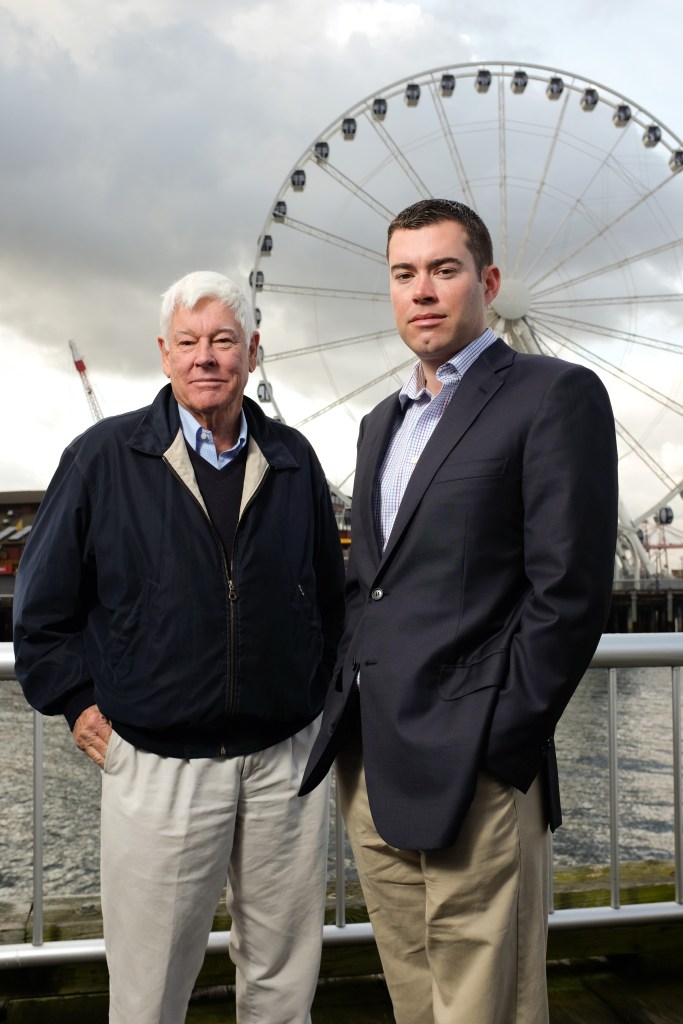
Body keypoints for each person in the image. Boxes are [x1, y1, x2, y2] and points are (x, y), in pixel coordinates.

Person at [300, 199, 618, 1024]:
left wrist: (499, 740)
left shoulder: (554, 395)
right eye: (404, 275)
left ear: (488, 282)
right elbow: (370, 583)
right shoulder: (380, 424)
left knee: (489, 1006)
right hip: (371, 760)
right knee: (416, 1000)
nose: (423, 292)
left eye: (444, 270)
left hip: (475, 765)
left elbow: (570, 592)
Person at [13, 271, 345, 1024]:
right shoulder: (101, 458)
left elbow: (331, 599)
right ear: (164, 354)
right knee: (150, 989)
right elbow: (40, 609)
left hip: (282, 760)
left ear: (252, 352)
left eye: (223, 340)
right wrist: (75, 701)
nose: (206, 358)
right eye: (189, 342)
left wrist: (316, 705)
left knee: (283, 981)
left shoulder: (294, 459)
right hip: (158, 763)